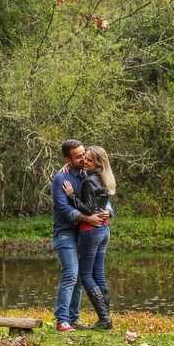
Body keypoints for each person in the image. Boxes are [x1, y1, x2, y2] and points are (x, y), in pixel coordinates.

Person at [51, 139, 111, 333]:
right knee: (70, 275)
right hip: (66, 233)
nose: (83, 158)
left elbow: (102, 199)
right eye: (78, 156)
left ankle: (74, 318)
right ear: (68, 159)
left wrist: (107, 212)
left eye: (84, 154)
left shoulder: (87, 173)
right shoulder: (61, 178)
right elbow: (65, 209)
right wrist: (89, 218)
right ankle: (62, 320)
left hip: (84, 233)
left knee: (79, 277)